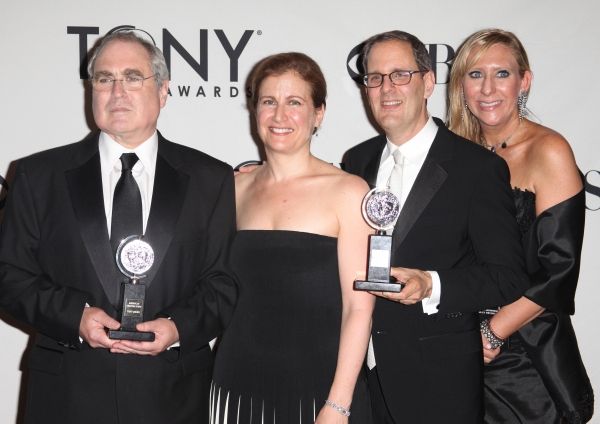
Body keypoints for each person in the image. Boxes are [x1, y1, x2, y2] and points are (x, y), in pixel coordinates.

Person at [0, 30, 237, 424]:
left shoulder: (210, 178)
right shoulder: (37, 175)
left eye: (132, 77)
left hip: (173, 397)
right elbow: (9, 276)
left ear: (163, 91)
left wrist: (177, 328)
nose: (117, 91)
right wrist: (74, 317)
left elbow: (223, 284)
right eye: (104, 79)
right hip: (66, 396)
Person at [342, 30, 530, 424]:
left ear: (428, 82)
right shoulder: (354, 162)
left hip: (437, 382)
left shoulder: (477, 169)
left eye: (400, 75)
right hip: (357, 381)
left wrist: (432, 284)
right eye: (374, 77)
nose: (386, 88)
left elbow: (508, 277)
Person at [210, 52, 374, 424]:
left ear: (319, 113)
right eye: (269, 101)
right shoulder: (233, 189)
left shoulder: (348, 192)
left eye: (294, 102)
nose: (280, 115)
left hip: (320, 390)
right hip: (236, 381)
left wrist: (338, 404)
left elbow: (358, 308)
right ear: (254, 111)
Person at [447, 28, 594, 423]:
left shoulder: (549, 150)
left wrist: (492, 332)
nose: (488, 89)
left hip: (526, 360)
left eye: (502, 74)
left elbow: (559, 271)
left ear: (524, 80)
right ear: (460, 85)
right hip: (456, 352)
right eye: (475, 75)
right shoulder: (452, 155)